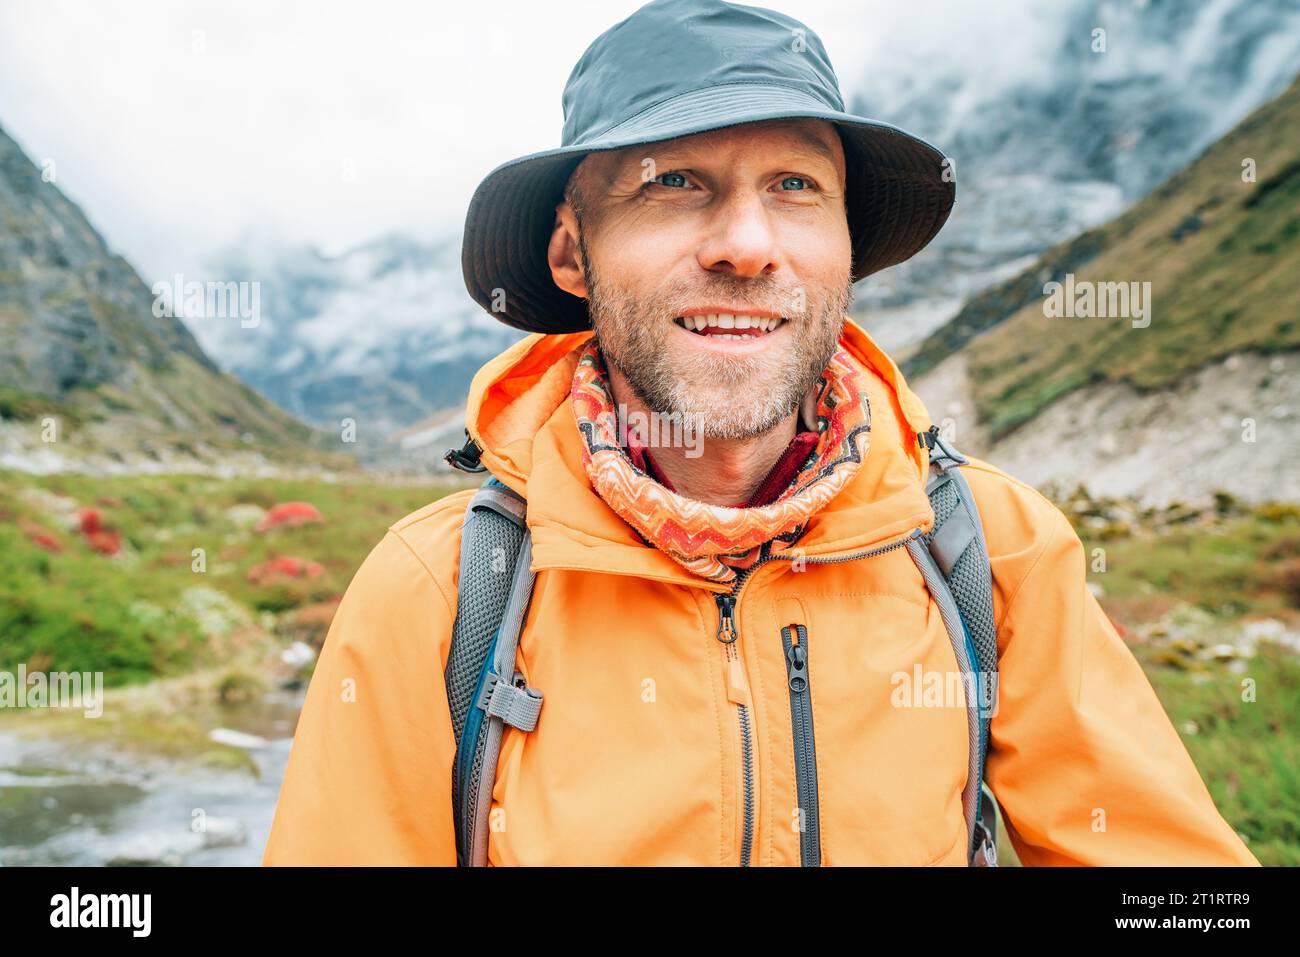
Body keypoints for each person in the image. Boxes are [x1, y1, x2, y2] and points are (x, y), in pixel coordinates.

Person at [263, 0, 1258, 866]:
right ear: (573, 254)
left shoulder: (990, 551)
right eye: (672, 183)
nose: (747, 245)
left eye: (795, 187)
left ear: (844, 251)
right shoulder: (443, 592)